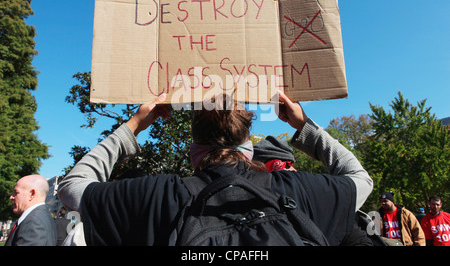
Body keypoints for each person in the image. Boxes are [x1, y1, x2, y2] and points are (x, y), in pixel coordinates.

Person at [58, 91, 373, 246]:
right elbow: (360, 180)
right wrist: (304, 125)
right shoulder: (295, 191)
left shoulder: (159, 195)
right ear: (248, 145)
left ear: (194, 150)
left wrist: (135, 125)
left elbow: (72, 188)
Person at [5, 174, 57, 246]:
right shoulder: (40, 217)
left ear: (31, 194)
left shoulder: (34, 222)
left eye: (16, 193)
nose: (11, 197)